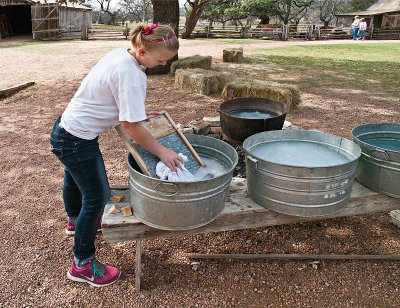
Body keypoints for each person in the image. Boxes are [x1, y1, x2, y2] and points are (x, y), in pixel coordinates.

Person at [49, 23, 183, 287]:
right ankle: (82, 264)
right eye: (161, 59)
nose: (163, 64)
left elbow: (113, 98)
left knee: (74, 175)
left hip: (65, 130)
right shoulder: (133, 76)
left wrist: (139, 112)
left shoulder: (121, 54)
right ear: (143, 50)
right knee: (97, 196)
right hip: (76, 141)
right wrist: (163, 151)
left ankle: (75, 222)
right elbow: (130, 126)